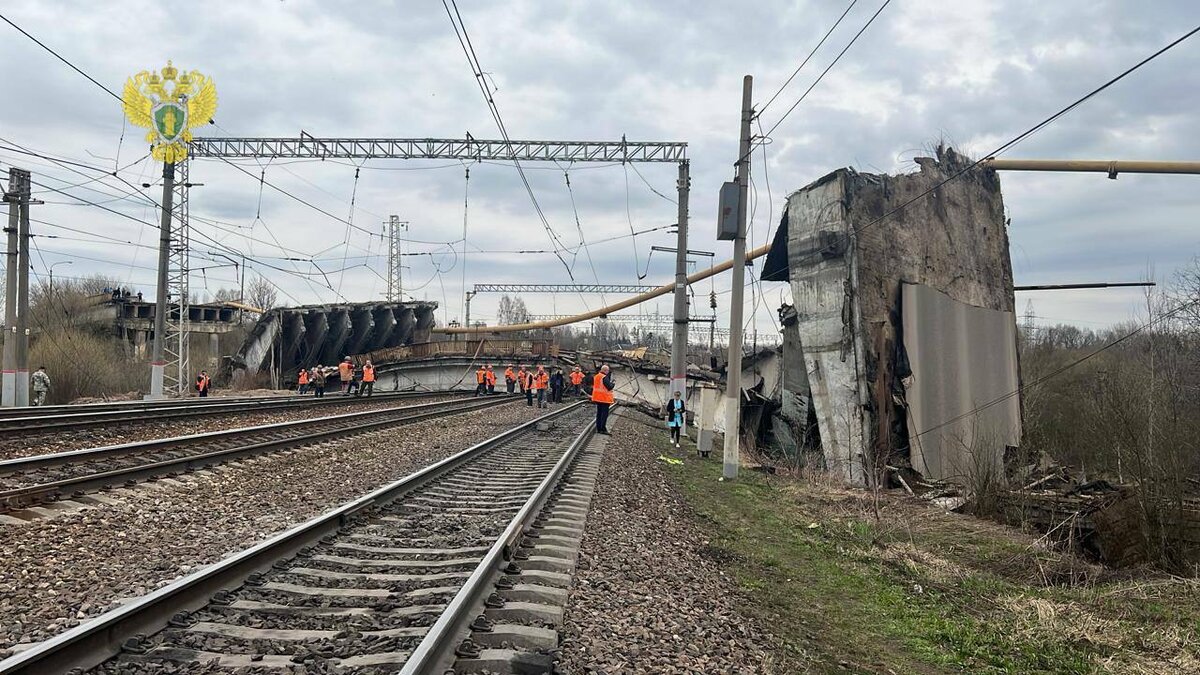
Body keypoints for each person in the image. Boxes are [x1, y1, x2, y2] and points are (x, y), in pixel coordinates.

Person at [591, 365, 614, 434]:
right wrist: (613, 383)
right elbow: (609, 387)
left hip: (597, 398)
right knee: (604, 415)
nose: (608, 372)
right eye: (608, 370)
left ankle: (598, 428)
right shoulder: (604, 377)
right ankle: (603, 429)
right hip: (604, 399)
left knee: (599, 414)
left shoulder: (596, 376)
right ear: (605, 370)